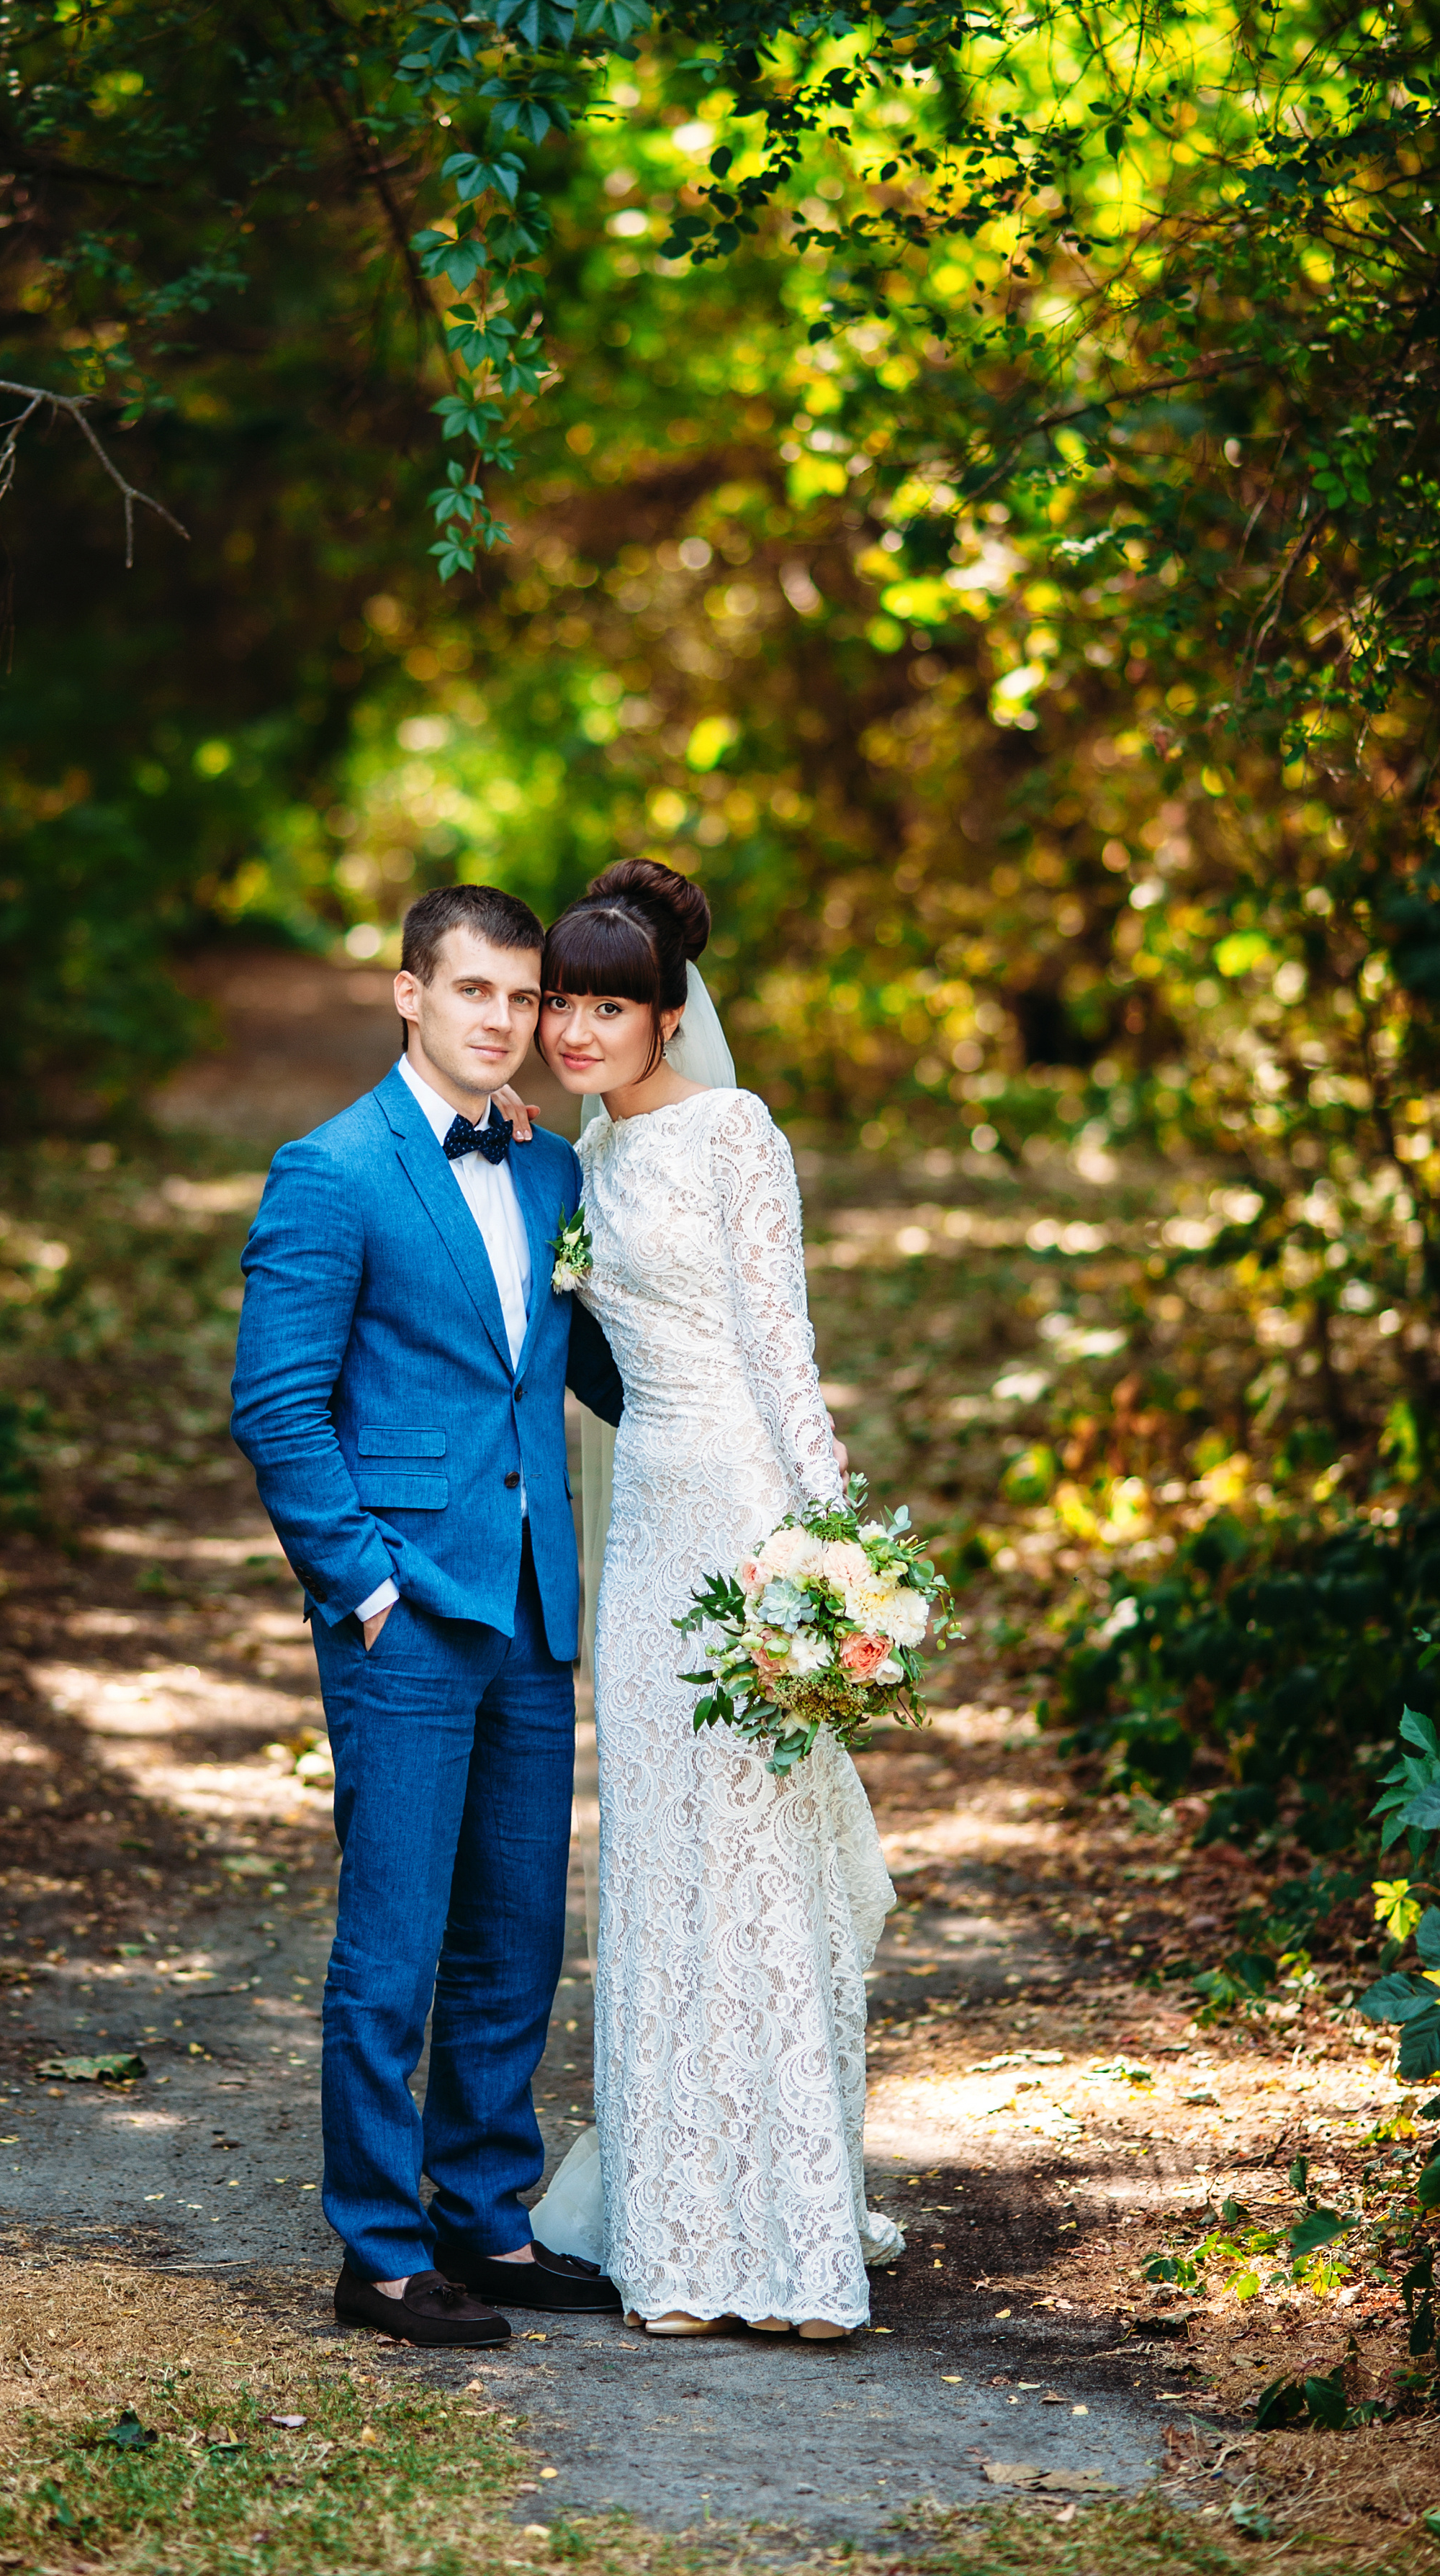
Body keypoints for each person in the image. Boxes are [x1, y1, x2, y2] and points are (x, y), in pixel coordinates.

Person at [230, 882, 628, 2347]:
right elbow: (276, 1406)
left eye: (523, 1000)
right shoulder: (332, 1171)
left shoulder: (547, 1174)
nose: (504, 1023)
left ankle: (485, 2214)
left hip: (532, 1599)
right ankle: (379, 2254)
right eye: (475, 993)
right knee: (393, 1942)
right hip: (407, 1605)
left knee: (516, 1931)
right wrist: (368, 1588)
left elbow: (579, 1373)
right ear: (410, 994)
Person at [530, 857, 904, 2339]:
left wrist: (829, 1553)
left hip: (745, 1522)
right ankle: (680, 2242)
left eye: (606, 1006)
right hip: (642, 1545)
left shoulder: (735, 1132)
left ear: (667, 1016)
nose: (576, 1029)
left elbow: (781, 1347)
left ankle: (796, 2245)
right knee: (660, 1876)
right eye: (562, 1001)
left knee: (758, 1875)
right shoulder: (590, 1164)